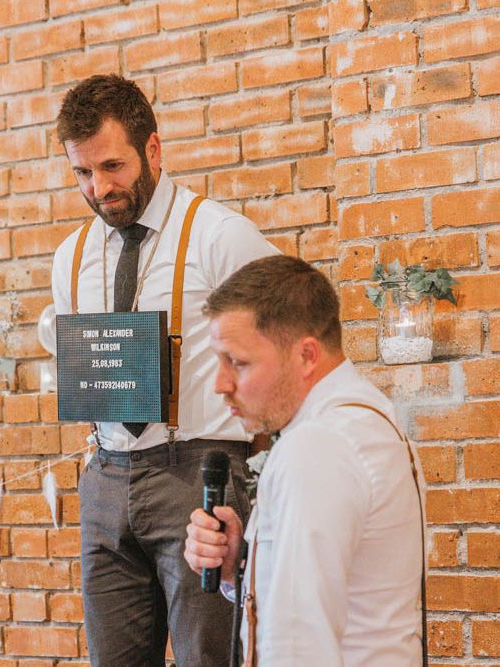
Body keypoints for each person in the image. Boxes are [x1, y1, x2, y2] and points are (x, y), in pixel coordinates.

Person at [51, 74, 277, 667]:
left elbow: (283, 353)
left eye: (112, 166)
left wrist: (261, 471)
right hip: (105, 478)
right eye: (82, 172)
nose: (100, 188)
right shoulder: (70, 258)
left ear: (152, 149)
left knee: (209, 658)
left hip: (197, 474)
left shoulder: (220, 236)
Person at [184, 254, 426, 666]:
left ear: (306, 355)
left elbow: (298, 644)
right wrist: (242, 565)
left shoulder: (319, 446)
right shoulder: (367, 419)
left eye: (237, 362)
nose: (220, 384)